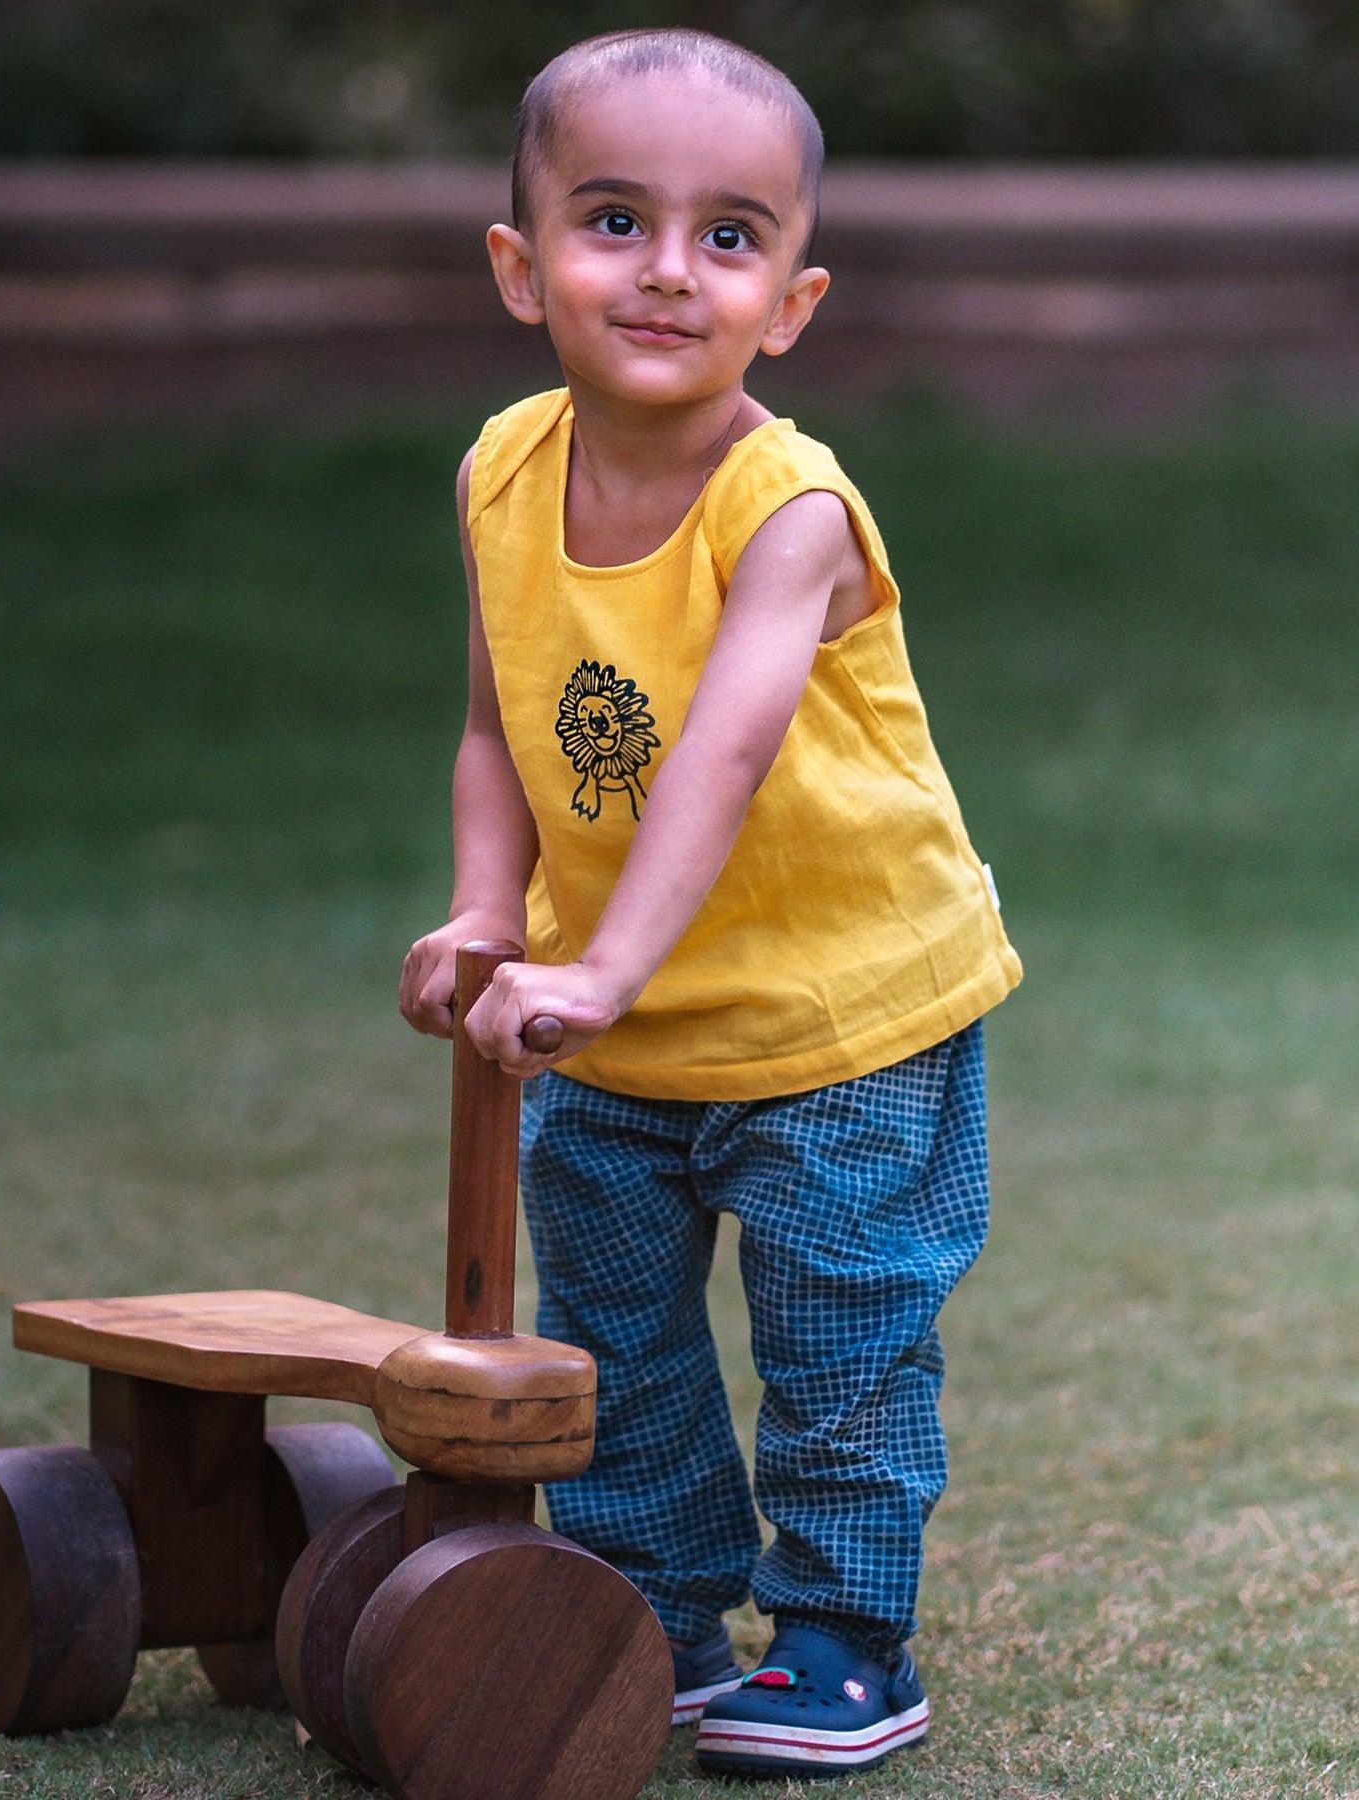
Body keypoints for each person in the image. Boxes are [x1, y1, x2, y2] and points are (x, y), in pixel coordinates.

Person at [397, 25, 1022, 1783]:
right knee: (619, 1335)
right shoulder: (503, 474)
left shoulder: (789, 507)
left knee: (839, 1331)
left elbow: (725, 756)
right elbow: (499, 728)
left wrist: (595, 965)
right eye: (615, 219)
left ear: (793, 301)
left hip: (844, 1013)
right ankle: (648, 1611)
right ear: (522, 268)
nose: (672, 269)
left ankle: (839, 1639)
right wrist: (486, 915)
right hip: (616, 1014)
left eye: (730, 237)